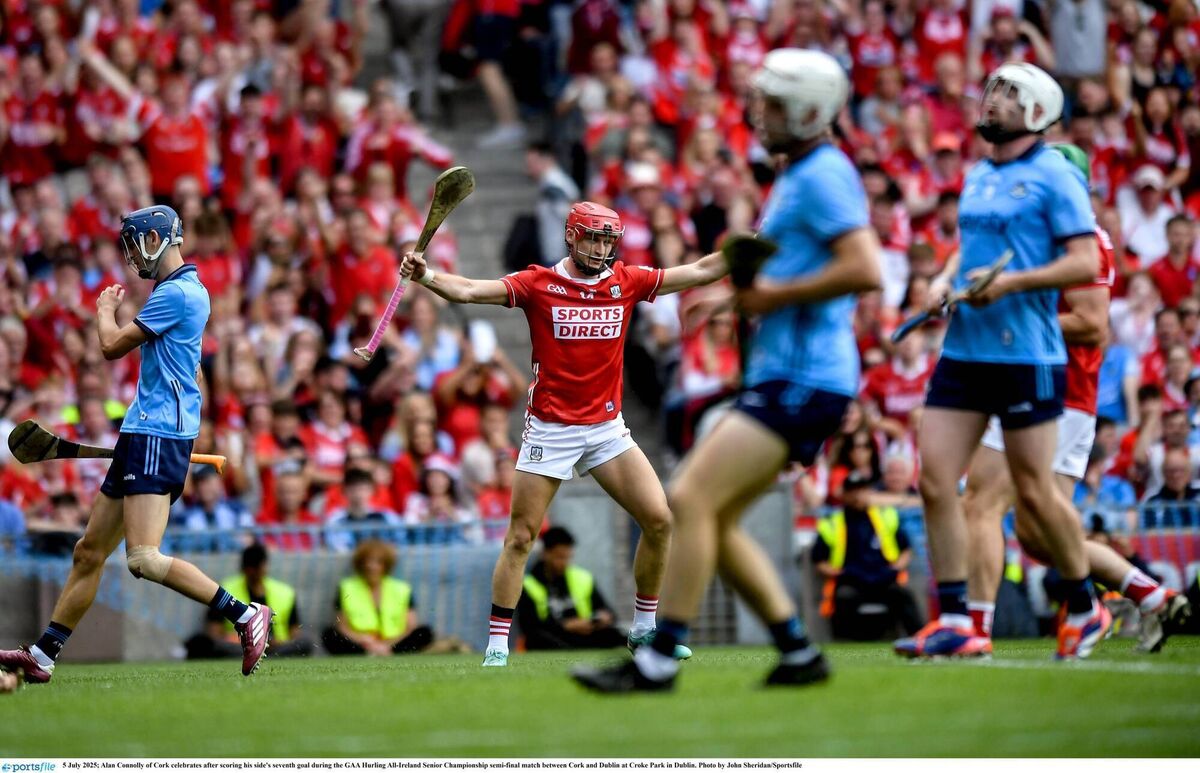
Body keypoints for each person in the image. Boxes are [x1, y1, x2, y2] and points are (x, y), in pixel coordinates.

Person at [572, 49, 883, 692]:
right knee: (714, 515)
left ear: (807, 110)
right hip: (789, 375)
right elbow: (793, 267)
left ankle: (658, 659)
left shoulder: (823, 173)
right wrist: (736, 294)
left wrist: (766, 298)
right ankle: (797, 651)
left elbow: (864, 268)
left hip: (806, 376)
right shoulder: (799, 173)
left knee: (687, 499)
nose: (758, 113)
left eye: (772, 103)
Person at [398, 193, 735, 668]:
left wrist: (753, 245)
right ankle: (497, 646)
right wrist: (427, 276)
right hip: (550, 429)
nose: (601, 249)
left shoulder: (626, 280)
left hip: (605, 428)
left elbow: (700, 271)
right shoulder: (540, 283)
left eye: (607, 240)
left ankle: (643, 630)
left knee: (660, 520)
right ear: (572, 237)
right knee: (521, 537)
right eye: (594, 239)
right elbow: (470, 290)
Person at [0, 205, 273, 684]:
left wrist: (104, 311)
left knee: (143, 558)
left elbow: (109, 347)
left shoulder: (178, 294)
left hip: (156, 434)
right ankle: (43, 655)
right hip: (144, 430)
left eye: (135, 241)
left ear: (158, 239)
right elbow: (191, 372)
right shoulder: (184, 291)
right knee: (88, 551)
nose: (131, 253)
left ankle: (245, 614)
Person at [895, 64, 1109, 662]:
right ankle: (958, 619)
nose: (991, 100)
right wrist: (942, 279)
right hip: (965, 351)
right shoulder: (979, 174)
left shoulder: (1055, 176)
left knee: (1037, 497)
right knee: (935, 480)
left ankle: (1086, 605)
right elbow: (968, 247)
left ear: (1037, 112)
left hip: (1027, 357)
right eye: (991, 90)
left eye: (1007, 95)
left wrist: (1013, 283)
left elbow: (1082, 261)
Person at [962, 143, 1191, 656]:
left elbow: (1092, 325)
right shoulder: (1050, 234)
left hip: (1055, 394)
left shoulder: (1085, 240)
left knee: (980, 501)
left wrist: (1005, 316)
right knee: (1040, 535)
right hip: (1059, 397)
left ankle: (975, 631)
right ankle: (1150, 596)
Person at [813, 472, 922, 641]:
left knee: (902, 594)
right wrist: (837, 573)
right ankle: (846, 642)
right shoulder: (833, 522)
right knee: (844, 597)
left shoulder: (886, 516)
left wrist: (896, 566)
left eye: (861, 490)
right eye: (853, 491)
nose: (857, 496)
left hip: (883, 578)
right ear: (844, 494)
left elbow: (906, 549)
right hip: (852, 580)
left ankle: (919, 638)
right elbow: (819, 560)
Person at [185, 543, 314, 660]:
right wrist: (243, 641)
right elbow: (214, 632)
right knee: (202, 643)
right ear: (244, 569)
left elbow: (295, 633)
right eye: (251, 569)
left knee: (305, 643)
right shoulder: (226, 590)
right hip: (240, 647)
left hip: (276, 647)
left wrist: (276, 643)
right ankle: (260, 656)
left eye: (257, 568)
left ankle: (264, 656)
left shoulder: (285, 593)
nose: (254, 573)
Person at [516, 527, 625, 650]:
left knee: (616, 634)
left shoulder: (583, 578)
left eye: (568, 557)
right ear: (545, 554)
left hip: (585, 635)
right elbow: (529, 627)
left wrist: (603, 618)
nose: (564, 563)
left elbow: (610, 613)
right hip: (553, 639)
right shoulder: (527, 585)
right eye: (560, 557)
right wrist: (565, 626)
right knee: (540, 639)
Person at [321, 539, 434, 656]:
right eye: (367, 561)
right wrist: (362, 639)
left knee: (424, 633)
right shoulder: (346, 587)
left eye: (378, 562)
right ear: (360, 564)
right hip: (362, 643)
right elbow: (342, 626)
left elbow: (410, 626)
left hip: (394, 641)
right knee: (330, 635)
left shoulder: (402, 588)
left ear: (386, 565)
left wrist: (387, 644)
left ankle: (382, 652)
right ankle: (371, 653)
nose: (371, 566)